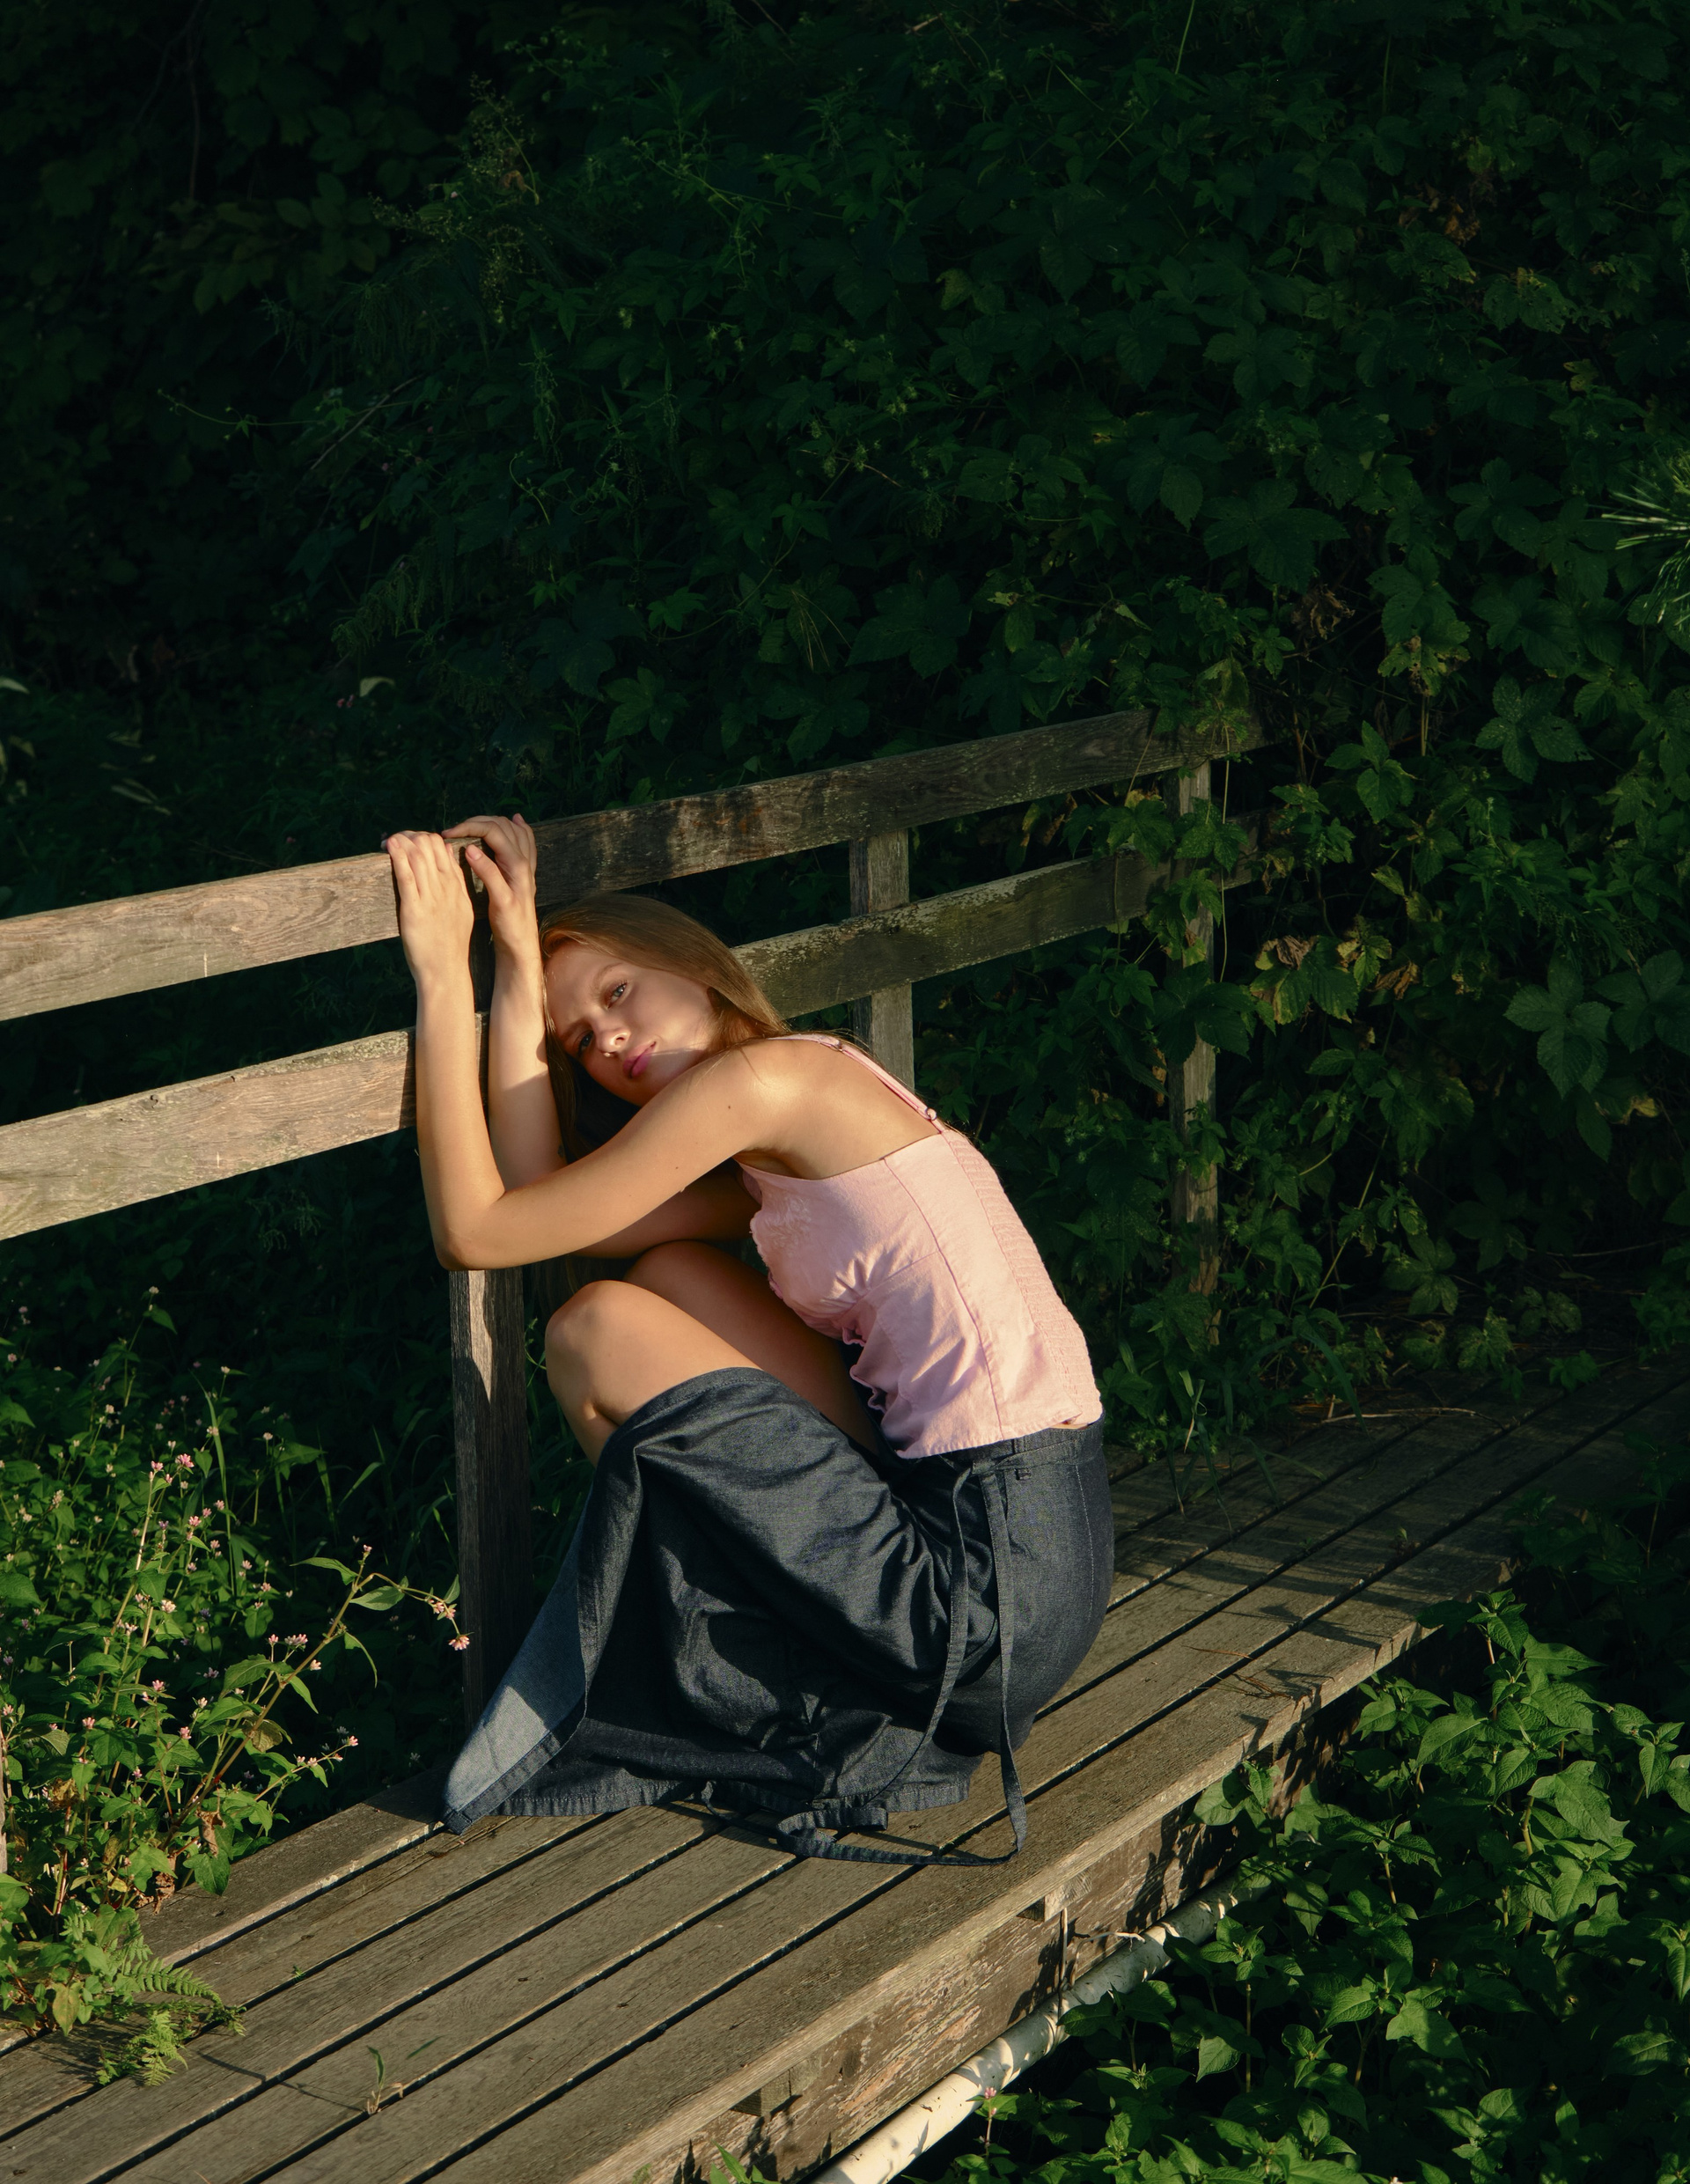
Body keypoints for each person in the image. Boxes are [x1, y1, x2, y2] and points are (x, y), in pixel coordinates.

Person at [383, 812, 1112, 1863]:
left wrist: (440, 979)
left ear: (695, 965)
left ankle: (762, 1676)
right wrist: (512, 955)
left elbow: (474, 1232)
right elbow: (543, 1206)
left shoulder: (762, 1085)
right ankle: (768, 1652)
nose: (608, 1041)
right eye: (580, 1041)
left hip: (984, 1591)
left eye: (618, 993)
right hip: (1042, 1565)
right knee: (667, 1279)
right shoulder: (793, 1122)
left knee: (591, 1330)